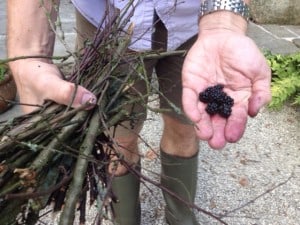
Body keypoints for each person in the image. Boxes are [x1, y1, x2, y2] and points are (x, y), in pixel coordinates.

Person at [7, 0, 271, 224]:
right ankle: (125, 219)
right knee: (118, 137)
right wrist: (31, 53)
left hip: (196, 21)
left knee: (186, 127)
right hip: (106, 21)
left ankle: (180, 218)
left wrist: (225, 20)